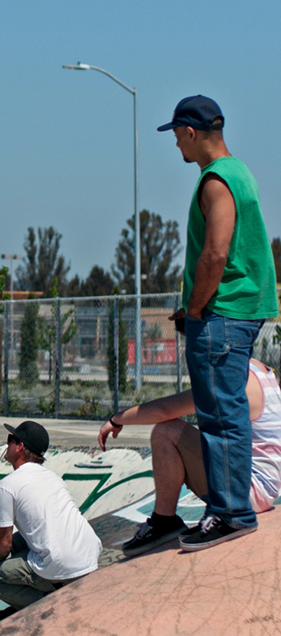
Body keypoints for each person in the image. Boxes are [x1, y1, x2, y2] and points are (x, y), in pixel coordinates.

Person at [159, 95, 278, 550]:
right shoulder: (241, 171)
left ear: (191, 132)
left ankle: (231, 513)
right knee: (225, 410)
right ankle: (230, 509)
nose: (175, 146)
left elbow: (216, 252)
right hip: (237, 309)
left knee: (220, 415)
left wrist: (195, 310)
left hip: (222, 315)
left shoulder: (215, 180)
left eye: (176, 136)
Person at [99, 358, 281, 557]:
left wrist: (117, 419)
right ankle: (166, 520)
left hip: (246, 491)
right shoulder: (258, 369)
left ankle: (164, 521)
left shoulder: (233, 378)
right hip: (265, 488)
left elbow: (165, 410)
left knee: (166, 431)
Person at [0, 421, 102, 620]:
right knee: (20, 540)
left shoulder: (8, 485)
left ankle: (53, 606)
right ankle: (24, 604)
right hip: (88, 556)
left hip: (61, 563)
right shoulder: (54, 478)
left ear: (20, 446)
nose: (7, 445)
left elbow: (3, 542)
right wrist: (5, 505)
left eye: (10, 440)